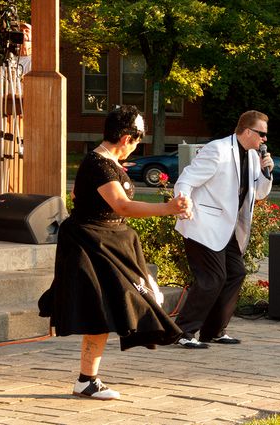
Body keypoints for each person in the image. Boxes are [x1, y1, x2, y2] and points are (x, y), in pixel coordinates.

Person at [38, 105, 192, 400]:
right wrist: (168, 208)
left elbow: (78, 196)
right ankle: (87, 380)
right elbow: (121, 206)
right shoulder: (97, 164)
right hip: (91, 244)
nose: (135, 149)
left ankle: (87, 379)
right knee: (102, 308)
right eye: (136, 142)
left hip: (111, 241)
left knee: (116, 305)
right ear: (125, 138)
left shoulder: (106, 164)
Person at [172, 110, 274, 348]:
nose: (265, 139)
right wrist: (182, 203)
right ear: (248, 131)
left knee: (235, 273)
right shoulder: (217, 150)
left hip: (227, 229)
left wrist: (267, 172)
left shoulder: (251, 157)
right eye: (262, 134)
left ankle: (214, 330)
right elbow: (186, 179)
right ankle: (183, 332)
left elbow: (258, 193)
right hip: (202, 225)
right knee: (213, 278)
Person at [0, 22, 31, 93]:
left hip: (33, 101)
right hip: (12, 103)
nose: (23, 33)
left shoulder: (38, 60)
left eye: (27, 31)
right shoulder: (7, 60)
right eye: (20, 31)